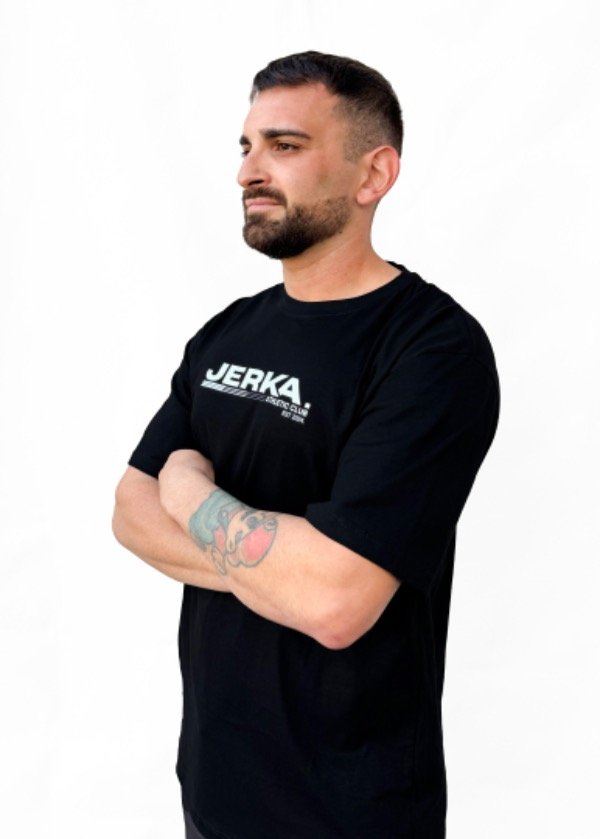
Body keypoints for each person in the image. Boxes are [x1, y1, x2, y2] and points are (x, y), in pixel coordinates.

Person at [112, 51, 500, 839]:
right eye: (247, 146)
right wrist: (282, 569)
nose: (248, 171)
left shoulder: (432, 350)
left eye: (284, 145)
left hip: (350, 814)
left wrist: (187, 490)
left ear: (372, 174)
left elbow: (335, 602)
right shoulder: (228, 332)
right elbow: (128, 512)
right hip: (212, 793)